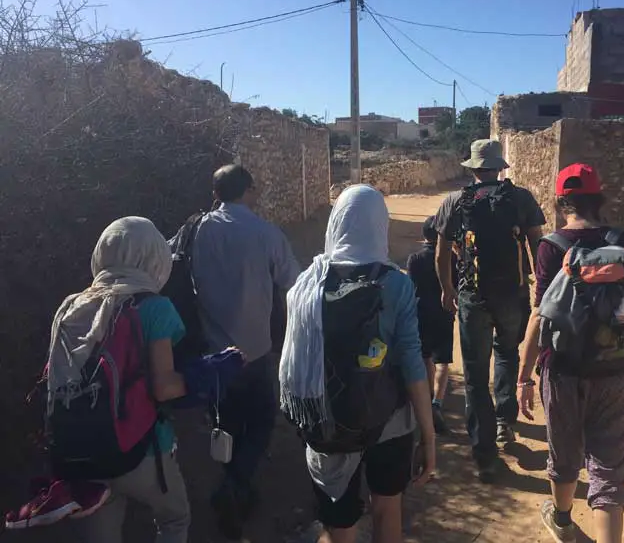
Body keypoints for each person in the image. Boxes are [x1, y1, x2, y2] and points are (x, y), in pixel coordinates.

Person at [38, 217, 243, 543]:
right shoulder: (155, 308)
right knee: (174, 519)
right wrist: (210, 371)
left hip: (80, 453)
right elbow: (163, 387)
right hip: (143, 450)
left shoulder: (71, 307)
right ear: (153, 257)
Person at [516, 164, 624, 543]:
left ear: (561, 200)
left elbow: (540, 314)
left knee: (564, 455)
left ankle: (562, 519)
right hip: (618, 372)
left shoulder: (550, 247)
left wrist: (523, 375)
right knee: (610, 469)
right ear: (600, 198)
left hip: (562, 370)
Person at [280, 185, 436, 543]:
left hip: (329, 421)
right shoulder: (396, 284)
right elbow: (412, 362)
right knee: (387, 508)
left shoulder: (307, 285)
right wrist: (428, 435)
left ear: (336, 224)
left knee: (340, 520)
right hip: (391, 422)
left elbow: (293, 360)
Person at [190, 164, 300, 539]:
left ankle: (237, 489)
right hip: (253, 351)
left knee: (227, 426)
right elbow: (294, 283)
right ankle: (234, 488)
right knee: (263, 419)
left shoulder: (197, 230)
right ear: (248, 191)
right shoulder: (265, 233)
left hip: (211, 353)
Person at [434, 139, 546, 482]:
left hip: (472, 297)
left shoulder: (456, 201)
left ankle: (483, 455)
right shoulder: (521, 198)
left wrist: (448, 289)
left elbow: (442, 254)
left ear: (472, 168)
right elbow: (538, 246)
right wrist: (537, 288)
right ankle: (503, 423)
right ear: (500, 167)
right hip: (513, 294)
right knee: (508, 353)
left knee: (474, 375)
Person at [407, 216, 458, 435]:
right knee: (443, 361)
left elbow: (410, 286)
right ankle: (437, 402)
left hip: (421, 313)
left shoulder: (415, 259)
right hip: (444, 312)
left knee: (425, 357)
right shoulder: (452, 259)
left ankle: (427, 400)